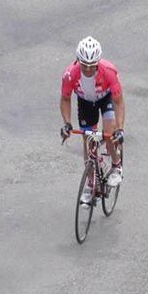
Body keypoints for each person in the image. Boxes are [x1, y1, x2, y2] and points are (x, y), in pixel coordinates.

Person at [60, 36, 125, 204]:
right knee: (88, 142)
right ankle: (91, 184)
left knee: (109, 135)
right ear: (78, 61)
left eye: (92, 65)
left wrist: (120, 128)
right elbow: (65, 99)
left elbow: (119, 102)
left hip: (105, 100)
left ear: (98, 62)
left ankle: (117, 165)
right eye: (84, 65)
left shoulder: (109, 72)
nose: (88, 69)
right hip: (86, 102)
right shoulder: (70, 75)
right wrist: (67, 123)